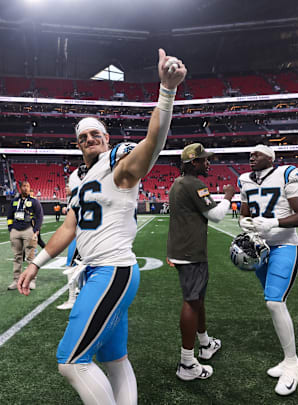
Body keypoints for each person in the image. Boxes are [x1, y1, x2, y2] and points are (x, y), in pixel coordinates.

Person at [17, 48, 186, 405]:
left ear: (107, 139)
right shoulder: (79, 179)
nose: (90, 140)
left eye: (96, 134)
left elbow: (151, 146)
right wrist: (34, 265)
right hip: (96, 272)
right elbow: (68, 228)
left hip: (112, 270)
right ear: (77, 144)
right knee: (115, 359)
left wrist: (166, 91)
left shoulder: (117, 163)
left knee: (71, 361)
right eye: (83, 137)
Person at [238, 145, 298, 396]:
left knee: (274, 303)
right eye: (250, 154)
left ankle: (293, 363)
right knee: (274, 301)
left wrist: (274, 222)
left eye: (257, 153)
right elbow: (244, 213)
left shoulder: (287, 174)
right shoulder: (245, 179)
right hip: (261, 249)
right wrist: (245, 223)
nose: (251, 157)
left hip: (284, 245)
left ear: (271, 157)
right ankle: (287, 359)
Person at [167, 143, 235, 381]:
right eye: (204, 160)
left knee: (197, 299)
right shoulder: (195, 183)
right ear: (193, 162)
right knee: (192, 302)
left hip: (181, 249)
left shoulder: (178, 182)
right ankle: (187, 363)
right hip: (191, 252)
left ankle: (205, 344)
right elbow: (215, 216)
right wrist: (227, 197)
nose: (208, 163)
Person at [57, 169, 86, 311]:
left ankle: (72, 299)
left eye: (68, 185)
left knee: (71, 266)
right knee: (81, 267)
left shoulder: (77, 199)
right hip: (84, 236)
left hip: (78, 236)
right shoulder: (76, 198)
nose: (65, 187)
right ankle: (79, 295)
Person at [7, 181, 43, 290]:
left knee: (30, 257)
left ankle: (31, 280)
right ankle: (16, 280)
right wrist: (10, 229)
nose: (26, 188)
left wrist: (36, 230)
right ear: (20, 188)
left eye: (28, 186)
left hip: (28, 230)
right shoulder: (14, 201)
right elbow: (9, 216)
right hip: (15, 231)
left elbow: (40, 217)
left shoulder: (34, 202)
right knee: (17, 257)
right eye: (24, 186)